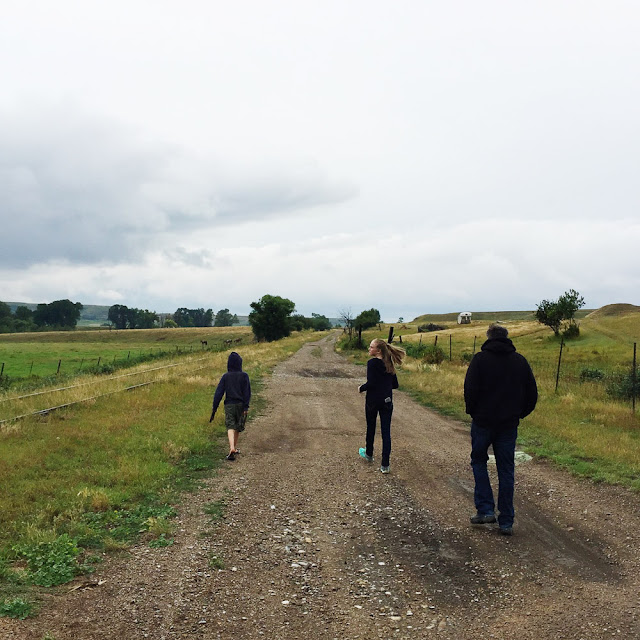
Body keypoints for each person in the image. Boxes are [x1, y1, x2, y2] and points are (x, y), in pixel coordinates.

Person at [464, 323, 538, 535]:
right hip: (508, 424)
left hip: (483, 422)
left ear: (488, 337)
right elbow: (532, 394)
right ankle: (506, 521)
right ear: (507, 337)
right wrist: (518, 414)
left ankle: (485, 509)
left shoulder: (479, 360)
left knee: (479, 460)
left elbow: (470, 389)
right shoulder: (519, 361)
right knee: (506, 469)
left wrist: (474, 412)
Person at [358, 338, 405, 474]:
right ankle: (385, 465)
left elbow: (371, 383)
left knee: (371, 427)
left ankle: (369, 454)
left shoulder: (372, 363)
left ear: (378, 350)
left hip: (373, 401)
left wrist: (361, 388)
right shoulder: (388, 363)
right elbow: (395, 384)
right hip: (387, 401)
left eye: (371, 347)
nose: (369, 349)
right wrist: (384, 384)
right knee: (386, 432)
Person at [210, 351, 251, 461]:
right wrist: (246, 407)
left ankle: (232, 448)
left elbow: (219, 393)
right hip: (241, 404)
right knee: (238, 426)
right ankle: (234, 448)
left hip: (229, 404)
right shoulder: (244, 376)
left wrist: (215, 407)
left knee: (230, 426)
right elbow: (247, 392)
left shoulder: (226, 376)